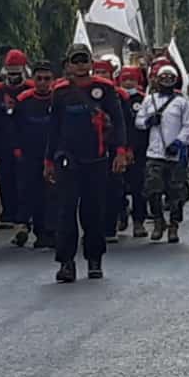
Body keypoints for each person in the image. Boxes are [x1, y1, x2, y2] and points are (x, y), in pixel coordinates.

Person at [45, 43, 128, 283]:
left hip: (97, 158)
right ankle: (66, 263)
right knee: (65, 212)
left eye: (84, 60)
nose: (80, 65)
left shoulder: (105, 88)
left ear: (91, 63)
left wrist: (120, 152)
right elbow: (54, 129)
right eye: (75, 61)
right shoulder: (60, 92)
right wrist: (49, 160)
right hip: (67, 158)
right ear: (69, 64)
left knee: (93, 212)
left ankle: (94, 260)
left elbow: (119, 122)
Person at [136, 64, 189, 244]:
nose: (167, 80)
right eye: (163, 78)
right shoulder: (149, 100)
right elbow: (138, 121)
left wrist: (178, 142)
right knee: (153, 190)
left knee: (175, 192)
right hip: (155, 153)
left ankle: (174, 225)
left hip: (174, 154)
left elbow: (188, 125)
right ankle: (158, 221)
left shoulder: (182, 102)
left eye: (170, 78)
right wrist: (148, 121)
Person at [12, 62, 57, 249]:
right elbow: (14, 128)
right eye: (39, 79)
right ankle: (39, 232)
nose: (43, 83)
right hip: (30, 155)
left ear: (53, 80)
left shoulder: (59, 99)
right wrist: (17, 149)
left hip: (54, 154)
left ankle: (53, 231)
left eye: (47, 79)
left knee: (54, 194)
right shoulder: (23, 101)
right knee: (34, 193)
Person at [0, 49, 33, 228]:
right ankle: (8, 213)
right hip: (3, 141)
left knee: (25, 178)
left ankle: (24, 213)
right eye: (10, 71)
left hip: (26, 141)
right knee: (5, 178)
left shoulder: (30, 89)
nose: (13, 76)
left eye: (17, 71)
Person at [92, 59, 128, 244]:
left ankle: (110, 226)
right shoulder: (83, 93)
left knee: (113, 187)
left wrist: (123, 149)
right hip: (90, 150)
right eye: (97, 72)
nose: (100, 76)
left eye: (104, 72)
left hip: (113, 149)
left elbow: (124, 123)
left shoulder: (120, 96)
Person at [117, 66, 149, 238]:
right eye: (125, 79)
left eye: (131, 79)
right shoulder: (115, 97)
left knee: (138, 187)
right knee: (118, 186)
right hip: (118, 149)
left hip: (139, 151)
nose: (128, 82)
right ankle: (121, 214)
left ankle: (139, 221)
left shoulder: (144, 99)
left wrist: (134, 149)